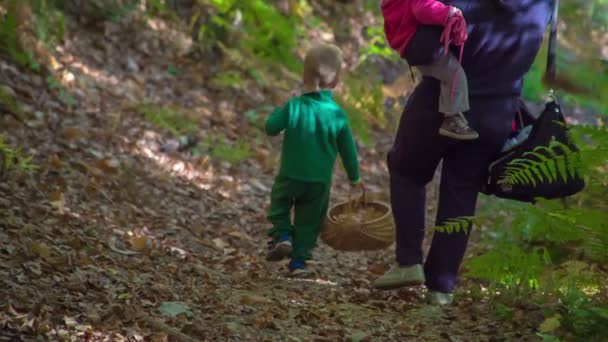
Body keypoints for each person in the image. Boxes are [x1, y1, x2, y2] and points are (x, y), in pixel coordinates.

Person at [373, 0, 555, 305]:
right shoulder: (545, 4)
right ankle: (441, 289)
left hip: (441, 101)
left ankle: (408, 262)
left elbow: (426, 39)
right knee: (462, 190)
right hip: (498, 111)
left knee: (406, 170)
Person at [264, 43, 363, 278]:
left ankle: (283, 235)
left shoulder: (295, 106)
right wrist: (354, 177)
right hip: (319, 182)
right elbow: (348, 150)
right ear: (336, 80)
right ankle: (298, 264)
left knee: (279, 206)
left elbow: (270, 128)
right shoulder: (338, 115)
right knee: (309, 222)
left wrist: (283, 108)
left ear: (303, 75)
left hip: (290, 175)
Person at [382, 0, 478, 140]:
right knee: (455, 75)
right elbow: (423, 8)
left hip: (411, 47)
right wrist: (448, 13)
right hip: (422, 45)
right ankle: (452, 119)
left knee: (440, 77)